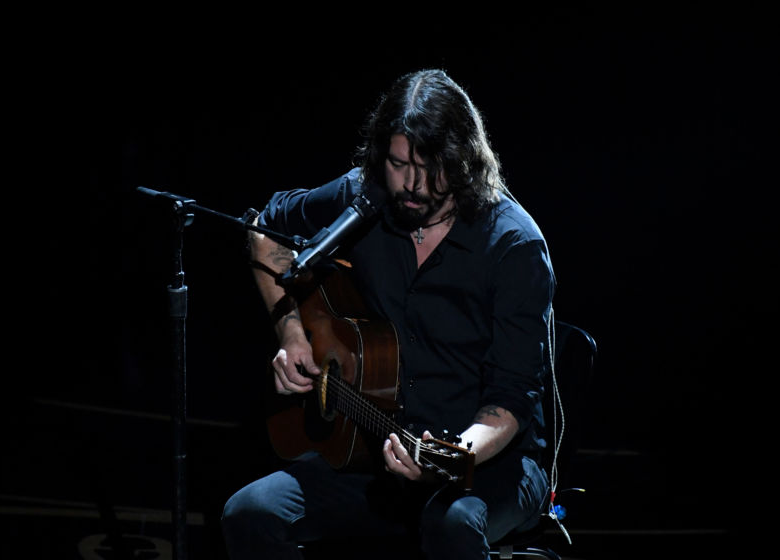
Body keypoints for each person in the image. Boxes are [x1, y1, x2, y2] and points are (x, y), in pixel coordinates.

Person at [221, 68, 556, 560]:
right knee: (249, 513)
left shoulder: (513, 245)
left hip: (485, 466)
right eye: (399, 164)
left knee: (452, 525)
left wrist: (447, 454)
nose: (413, 185)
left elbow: (510, 399)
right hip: (373, 454)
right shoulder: (367, 199)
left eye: (431, 167)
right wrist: (291, 333)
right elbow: (265, 229)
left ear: (464, 159)